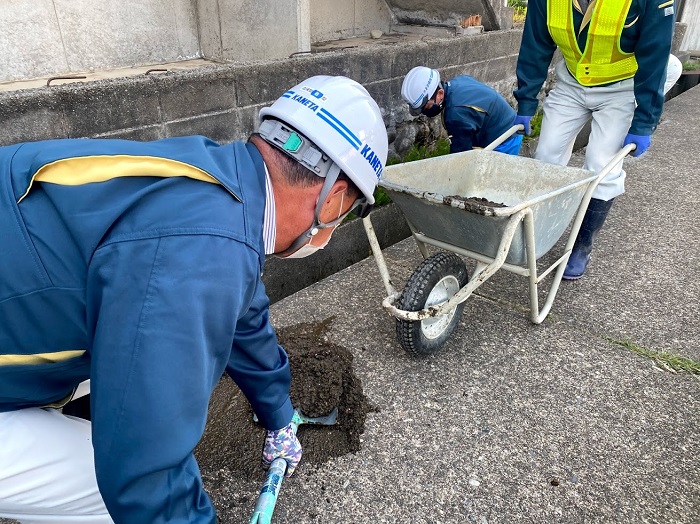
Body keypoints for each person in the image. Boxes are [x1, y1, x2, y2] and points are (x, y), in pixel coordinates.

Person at [0, 75, 388, 523]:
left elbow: (245, 319)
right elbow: (146, 471)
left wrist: (279, 415)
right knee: (107, 488)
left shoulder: (216, 180)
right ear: (334, 199)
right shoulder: (204, 250)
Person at [513, 0, 675, 279]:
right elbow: (535, 45)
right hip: (572, 82)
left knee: (601, 166)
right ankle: (539, 230)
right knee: (546, 157)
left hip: (622, 87)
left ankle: (581, 247)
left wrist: (645, 120)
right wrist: (526, 102)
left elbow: (655, 55)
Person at [401, 66, 523, 156]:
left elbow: (461, 156)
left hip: (505, 140)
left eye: (426, 107)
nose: (425, 112)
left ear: (440, 93)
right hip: (503, 124)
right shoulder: (458, 82)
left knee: (492, 182)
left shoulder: (456, 114)